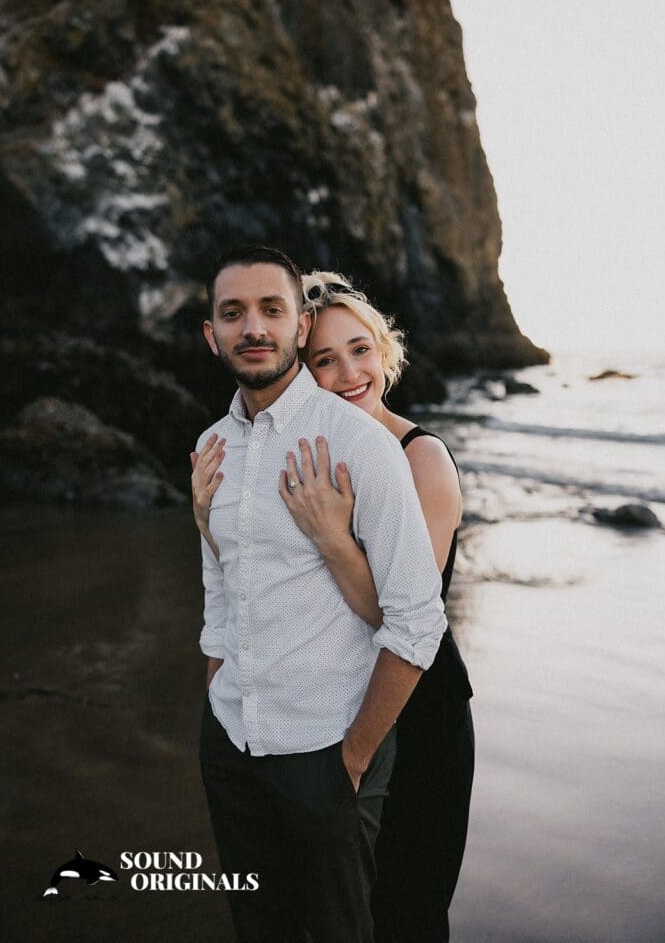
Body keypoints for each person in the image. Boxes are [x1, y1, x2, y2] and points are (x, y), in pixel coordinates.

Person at [193, 266, 474, 942]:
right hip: (342, 705)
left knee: (409, 906)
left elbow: (404, 619)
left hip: (423, 711)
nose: (349, 372)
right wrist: (210, 522)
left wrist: (329, 537)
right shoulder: (314, 456)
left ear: (385, 352)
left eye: (361, 350)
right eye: (325, 359)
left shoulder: (419, 457)